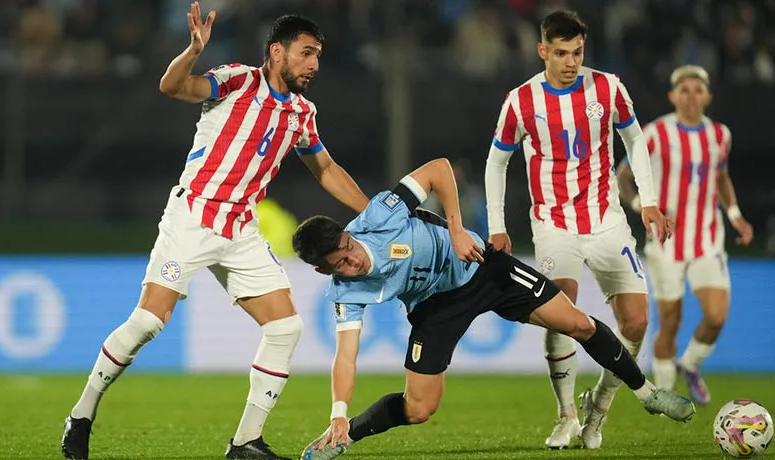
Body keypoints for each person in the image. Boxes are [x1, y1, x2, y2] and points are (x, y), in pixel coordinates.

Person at [60, 5, 369, 460]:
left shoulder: (302, 112)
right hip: (192, 216)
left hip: (240, 227)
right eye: (306, 54)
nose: (314, 65)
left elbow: (325, 169)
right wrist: (193, 51)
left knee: (285, 327)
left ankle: (245, 443)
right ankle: (81, 416)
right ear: (276, 52)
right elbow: (172, 86)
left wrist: (376, 210)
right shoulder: (236, 80)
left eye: (318, 56)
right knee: (147, 322)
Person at [292, 158, 695, 460]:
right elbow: (346, 357)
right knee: (418, 408)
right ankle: (343, 438)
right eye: (338, 265)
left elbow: (438, 169)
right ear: (320, 269)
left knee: (578, 323)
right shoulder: (346, 291)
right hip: (435, 307)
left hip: (482, 268)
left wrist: (455, 229)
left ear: (347, 234)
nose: (353, 264)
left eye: (348, 251)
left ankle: (646, 392)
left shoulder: (379, 216)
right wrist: (338, 413)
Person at [483, 10, 674, 450]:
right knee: (559, 310)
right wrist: (497, 225)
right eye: (562, 53)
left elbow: (635, 140)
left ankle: (598, 408)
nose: (571, 62)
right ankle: (565, 415)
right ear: (543, 51)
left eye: (578, 52)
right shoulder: (521, 100)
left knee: (637, 321)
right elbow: (497, 161)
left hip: (607, 220)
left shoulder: (607, 87)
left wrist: (647, 199)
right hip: (553, 223)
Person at [616, 65, 753, 405]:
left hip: (707, 240)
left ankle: (690, 364)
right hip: (666, 244)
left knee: (717, 315)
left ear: (707, 96)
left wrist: (735, 215)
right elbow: (622, 176)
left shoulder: (720, 135)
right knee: (670, 322)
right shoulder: (654, 134)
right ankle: (666, 395)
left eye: (697, 90)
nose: (691, 96)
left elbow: (720, 177)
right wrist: (641, 208)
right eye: (684, 90)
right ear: (672, 96)